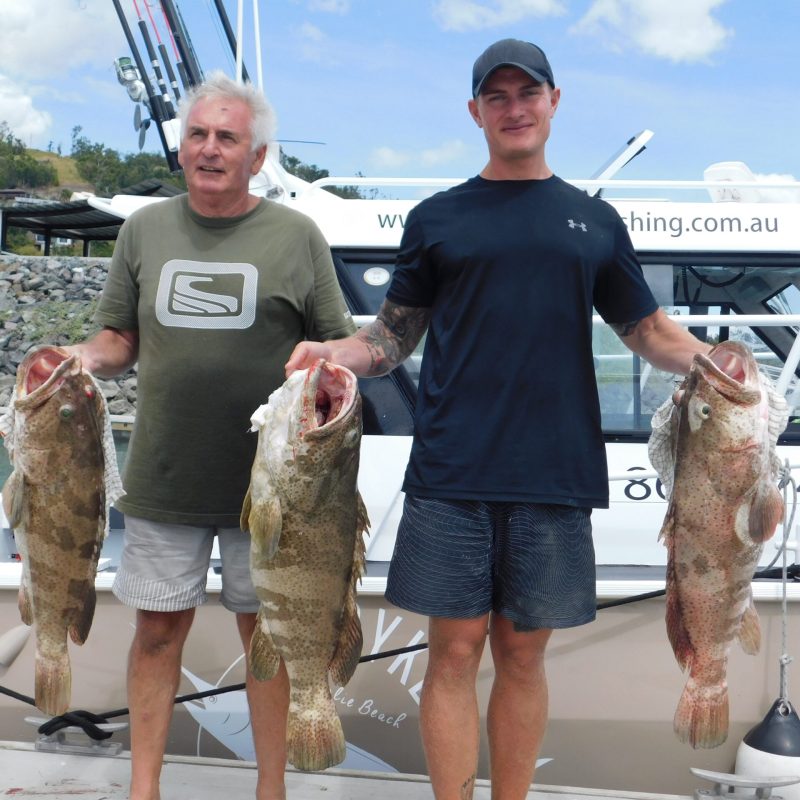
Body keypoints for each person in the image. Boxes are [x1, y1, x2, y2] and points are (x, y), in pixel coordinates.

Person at [285, 39, 712, 800]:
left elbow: (647, 333)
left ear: (554, 102)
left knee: (523, 658)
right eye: (498, 96)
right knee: (451, 655)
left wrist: (716, 362)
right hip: (452, 469)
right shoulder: (438, 217)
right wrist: (334, 352)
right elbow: (392, 337)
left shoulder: (594, 222)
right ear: (476, 111)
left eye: (529, 93)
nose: (515, 108)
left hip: (555, 472)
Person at [64, 71, 356, 800]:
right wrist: (80, 359)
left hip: (279, 489)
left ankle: (270, 789)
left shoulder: (297, 236)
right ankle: (144, 788)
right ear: (183, 148)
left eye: (228, 137)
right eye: (197, 134)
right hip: (165, 476)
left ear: (257, 157)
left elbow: (338, 344)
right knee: (158, 635)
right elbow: (118, 338)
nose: (209, 148)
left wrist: (326, 368)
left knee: (269, 640)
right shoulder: (145, 230)